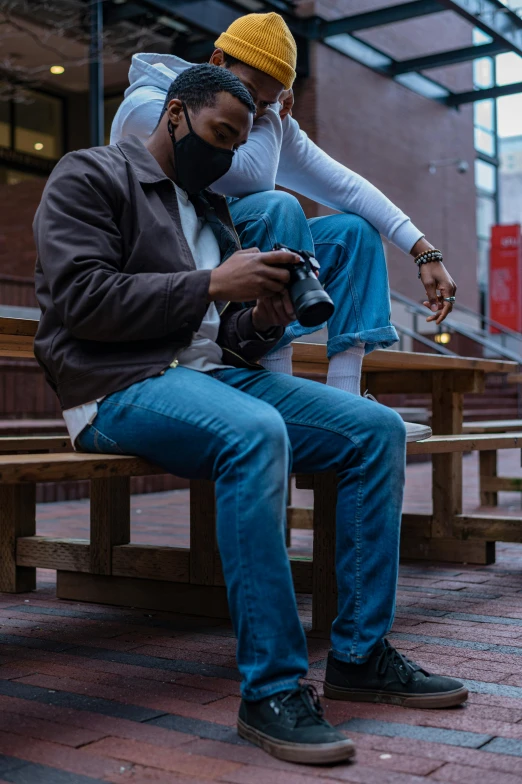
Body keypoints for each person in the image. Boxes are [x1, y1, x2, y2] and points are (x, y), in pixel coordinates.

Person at [34, 64, 467, 767]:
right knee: (255, 434)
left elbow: (224, 336)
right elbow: (81, 301)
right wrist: (211, 282)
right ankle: (270, 689)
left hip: (210, 377)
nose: (228, 153)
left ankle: (358, 653)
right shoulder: (92, 176)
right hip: (119, 383)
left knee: (374, 431)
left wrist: (262, 321)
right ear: (175, 115)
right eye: (220, 133)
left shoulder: (210, 209)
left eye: (239, 142)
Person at [110, 11, 458, 442]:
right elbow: (247, 177)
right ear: (218, 62)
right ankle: (280, 386)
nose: (256, 111)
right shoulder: (152, 105)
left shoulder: (262, 118)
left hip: (225, 252)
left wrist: (423, 250)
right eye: (254, 96)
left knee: (353, 232)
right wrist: (274, 117)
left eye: (270, 101)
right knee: (277, 206)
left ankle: (345, 396)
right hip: (172, 258)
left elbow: (345, 185)